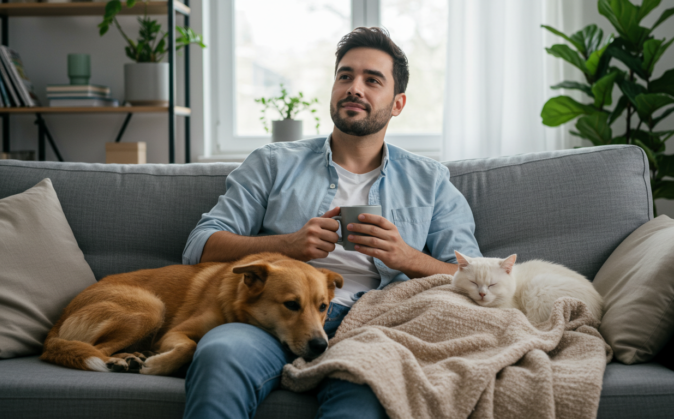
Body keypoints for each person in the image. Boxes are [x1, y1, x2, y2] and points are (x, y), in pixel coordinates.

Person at [181, 26, 481, 419]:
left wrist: (407, 257)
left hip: (376, 325)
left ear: (397, 103)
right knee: (219, 355)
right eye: (345, 76)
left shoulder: (430, 180)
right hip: (275, 321)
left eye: (372, 80)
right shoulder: (273, 163)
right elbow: (198, 246)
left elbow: (474, 277)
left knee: (365, 394)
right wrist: (288, 247)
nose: (355, 87)